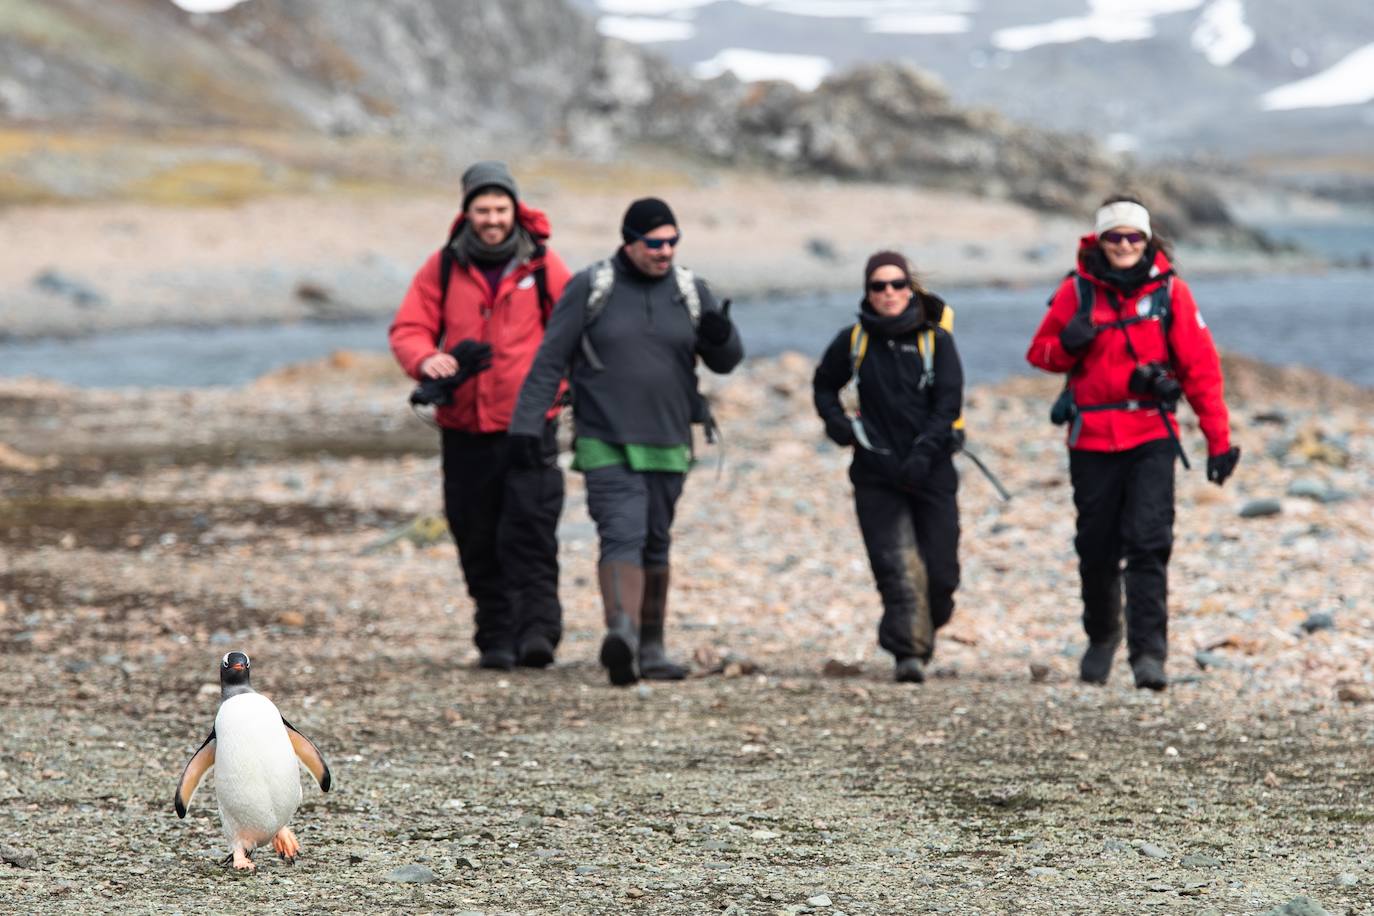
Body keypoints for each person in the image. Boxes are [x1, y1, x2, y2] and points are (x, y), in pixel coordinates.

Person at [508, 197, 744, 686]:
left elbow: (725, 361)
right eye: (654, 243)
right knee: (622, 532)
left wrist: (722, 336)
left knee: (656, 540)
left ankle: (652, 649)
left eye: (672, 242)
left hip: (670, 438)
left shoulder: (690, 290)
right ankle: (623, 635)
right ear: (629, 241)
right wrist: (526, 425)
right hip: (604, 438)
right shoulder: (592, 287)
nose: (665, 251)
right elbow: (551, 359)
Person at [1027, 194, 1240, 691]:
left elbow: (1201, 371)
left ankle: (1149, 655)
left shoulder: (1172, 294)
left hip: (1151, 434)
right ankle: (1102, 636)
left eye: (1133, 236)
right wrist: (1069, 343)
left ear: (1147, 240)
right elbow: (1039, 354)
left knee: (1148, 544)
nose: (1124, 244)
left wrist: (1219, 440)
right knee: (1097, 547)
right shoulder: (1076, 292)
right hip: (1092, 438)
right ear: (1099, 241)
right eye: (1114, 236)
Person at [389, 161, 572, 671]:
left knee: (531, 529)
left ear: (515, 209)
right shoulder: (443, 266)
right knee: (475, 533)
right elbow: (409, 327)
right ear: (466, 211)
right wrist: (427, 359)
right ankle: (495, 637)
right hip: (464, 427)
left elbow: (576, 329)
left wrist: (564, 389)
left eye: (500, 208)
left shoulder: (543, 264)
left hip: (530, 425)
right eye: (482, 209)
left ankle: (538, 633)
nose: (492, 218)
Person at [812, 252, 964, 684]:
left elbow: (949, 403)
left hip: (930, 469)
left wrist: (924, 452)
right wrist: (839, 425)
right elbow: (824, 385)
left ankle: (923, 627)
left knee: (941, 573)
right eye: (879, 286)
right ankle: (908, 654)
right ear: (868, 292)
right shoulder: (853, 340)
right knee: (896, 566)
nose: (889, 293)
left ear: (910, 288)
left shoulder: (937, 341)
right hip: (875, 472)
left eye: (897, 284)